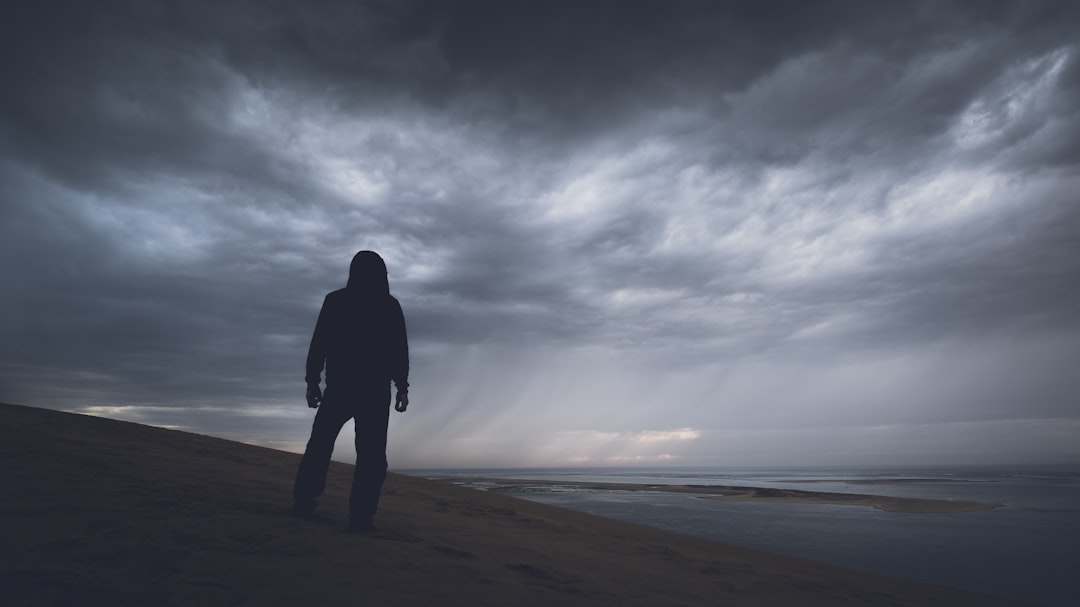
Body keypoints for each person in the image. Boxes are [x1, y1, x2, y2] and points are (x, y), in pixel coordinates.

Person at [291, 250, 410, 532]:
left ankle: (306, 505)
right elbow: (399, 351)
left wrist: (312, 382)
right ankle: (359, 518)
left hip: (346, 388)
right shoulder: (386, 305)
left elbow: (319, 343)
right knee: (367, 456)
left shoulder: (339, 301)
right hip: (367, 391)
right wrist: (402, 388)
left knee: (322, 448)